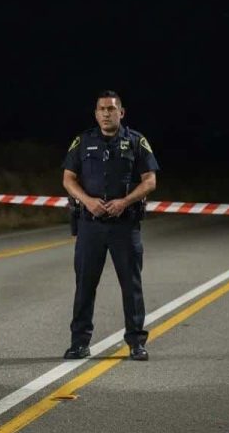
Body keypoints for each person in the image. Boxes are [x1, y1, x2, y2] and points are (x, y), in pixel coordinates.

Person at [61, 90, 159, 361]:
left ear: (121, 113)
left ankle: (136, 343)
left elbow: (150, 180)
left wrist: (125, 202)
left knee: (131, 286)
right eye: (102, 109)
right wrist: (88, 201)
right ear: (96, 114)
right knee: (85, 285)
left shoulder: (136, 142)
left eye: (111, 109)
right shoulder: (82, 141)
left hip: (124, 226)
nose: (106, 113)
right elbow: (68, 179)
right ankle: (79, 343)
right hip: (90, 225)